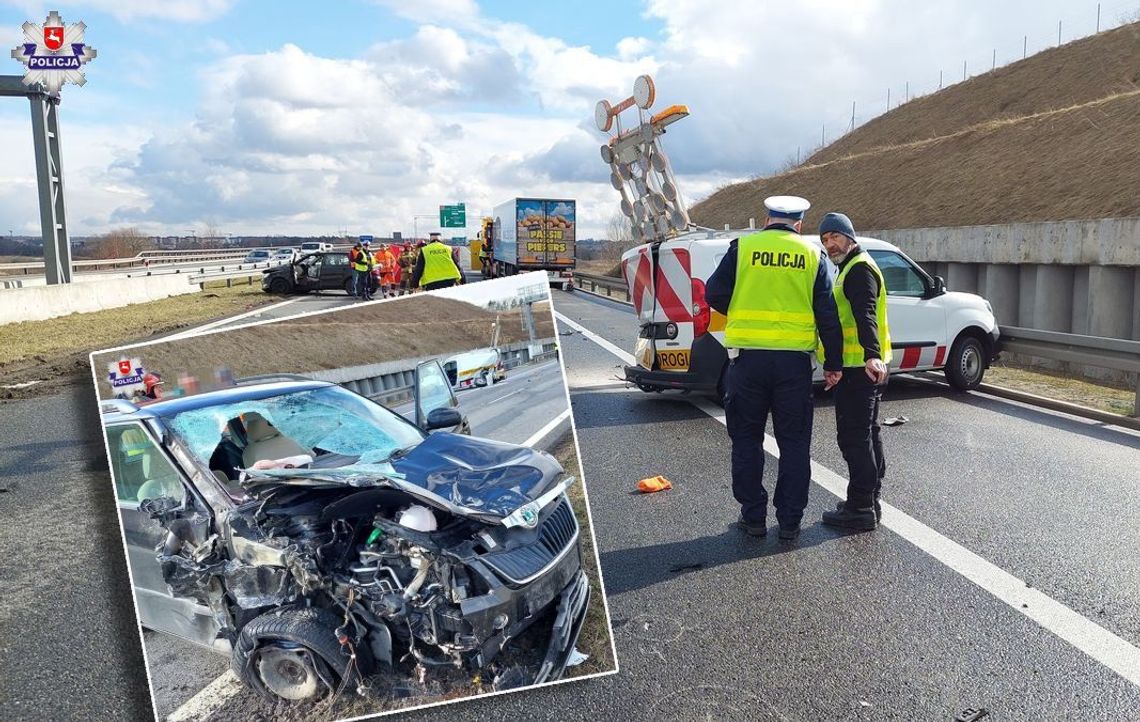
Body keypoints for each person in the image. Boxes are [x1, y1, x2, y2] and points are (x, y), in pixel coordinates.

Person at [706, 196, 844, 542]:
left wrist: (742, 307)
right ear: (799, 223)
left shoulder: (744, 247)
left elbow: (714, 294)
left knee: (746, 441)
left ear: (768, 218)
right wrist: (834, 364)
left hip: (747, 362)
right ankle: (790, 522)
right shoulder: (813, 254)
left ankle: (753, 517)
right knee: (795, 443)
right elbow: (827, 313)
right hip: (793, 366)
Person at [817, 212, 892, 531]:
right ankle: (869, 499)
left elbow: (866, 315)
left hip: (859, 368)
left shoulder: (859, 270)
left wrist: (873, 356)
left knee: (854, 438)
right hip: (858, 368)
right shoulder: (850, 267)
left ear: (850, 236)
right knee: (867, 434)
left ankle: (861, 507)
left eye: (835, 236)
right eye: (825, 240)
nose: (830, 244)